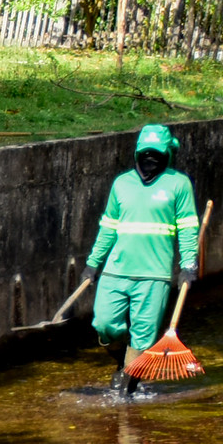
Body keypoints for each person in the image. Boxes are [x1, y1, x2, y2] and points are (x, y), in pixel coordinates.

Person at [83, 123, 200, 398]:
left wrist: (188, 265)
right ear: (136, 153)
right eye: (145, 153)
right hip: (116, 270)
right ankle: (124, 363)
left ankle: (127, 388)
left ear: (167, 154)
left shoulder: (178, 184)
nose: (150, 158)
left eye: (156, 154)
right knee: (104, 324)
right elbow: (108, 226)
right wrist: (93, 263)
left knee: (144, 337)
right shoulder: (121, 184)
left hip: (154, 275)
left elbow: (187, 227)